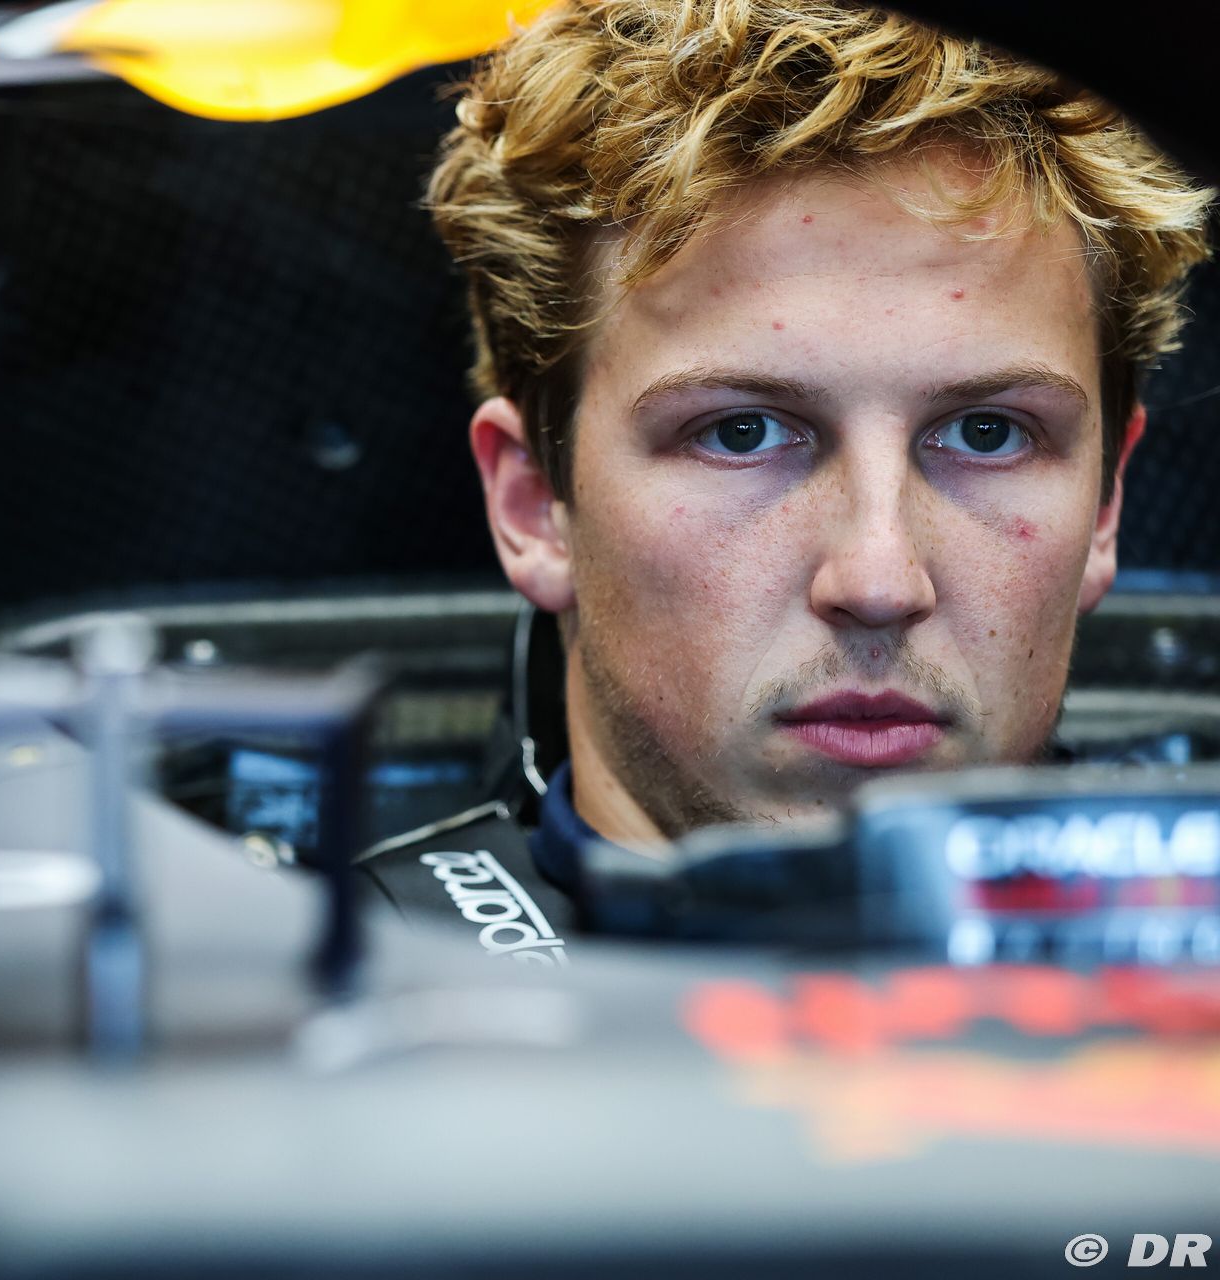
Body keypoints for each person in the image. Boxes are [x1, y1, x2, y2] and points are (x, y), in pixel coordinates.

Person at [356, 0, 1215, 944]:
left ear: (1106, 505)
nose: (880, 584)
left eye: (986, 433)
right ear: (531, 505)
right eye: (741, 433)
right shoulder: (302, 1004)